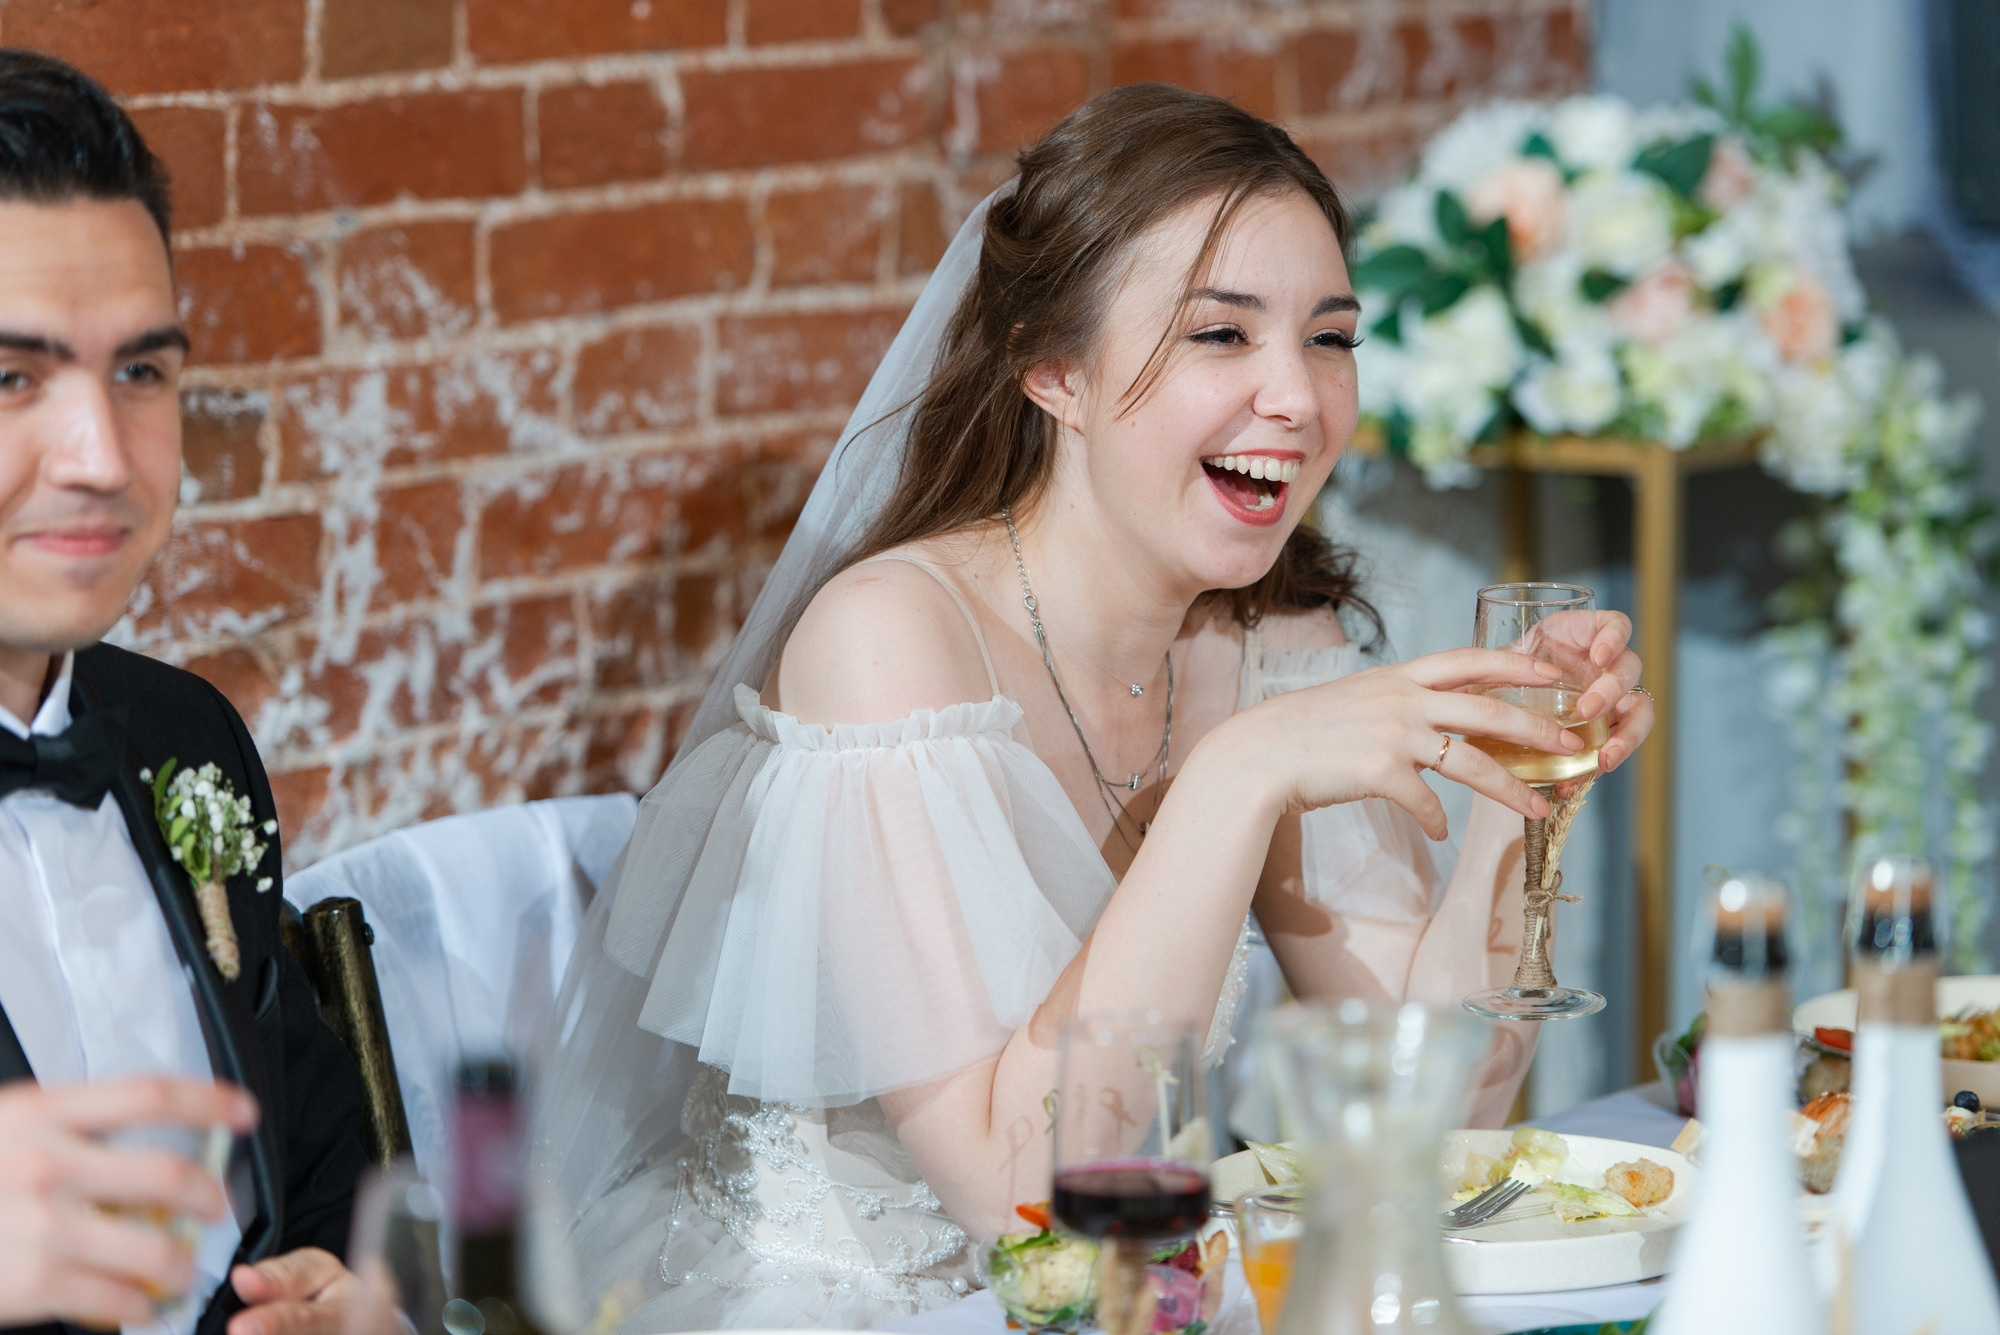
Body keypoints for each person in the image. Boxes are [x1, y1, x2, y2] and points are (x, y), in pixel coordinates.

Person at [531, 83, 1655, 1330]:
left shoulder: (1277, 638)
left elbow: (1435, 1122)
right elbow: (1021, 1192)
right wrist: (1237, 776)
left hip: (1135, 1300)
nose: (1296, 396)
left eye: (1329, 337)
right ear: (1050, 370)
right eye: (1220, 336)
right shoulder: (888, 645)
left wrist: (1515, 783)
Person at [0, 49, 371, 1335]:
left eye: (141, 372)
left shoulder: (183, 735)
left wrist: (353, 1294)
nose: (102, 459)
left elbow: (325, 1160)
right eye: (11, 379)